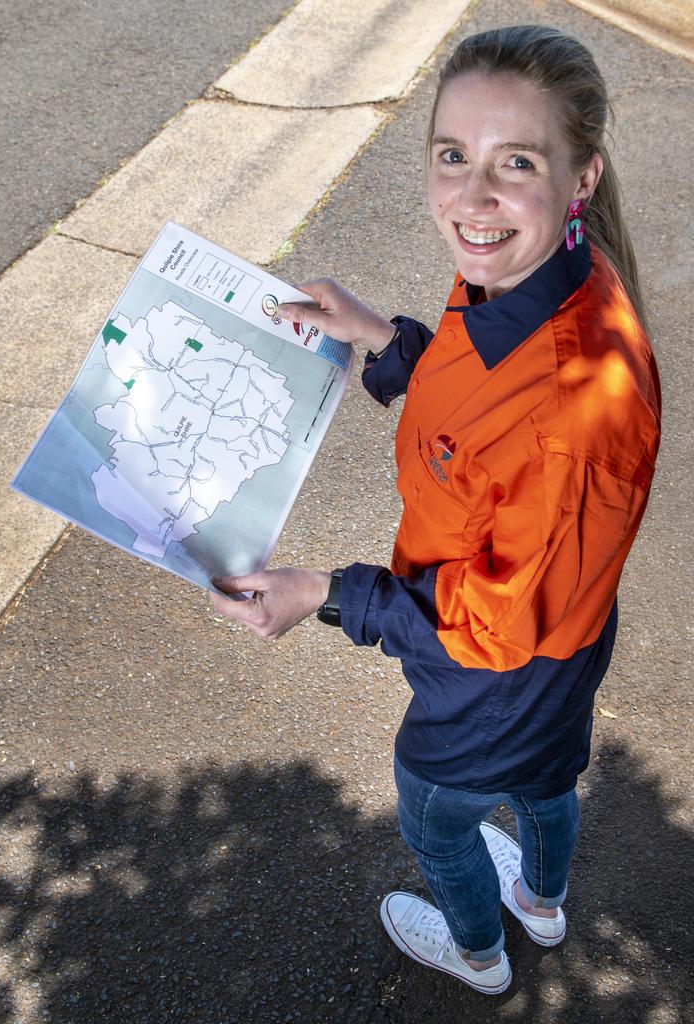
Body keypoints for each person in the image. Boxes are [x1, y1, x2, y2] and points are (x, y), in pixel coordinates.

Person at [210, 24, 661, 996]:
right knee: (545, 782)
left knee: (434, 816)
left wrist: (327, 593)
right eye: (453, 156)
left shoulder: (570, 409)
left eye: (516, 164)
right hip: (564, 647)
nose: (471, 199)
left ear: (579, 177)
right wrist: (380, 335)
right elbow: (475, 405)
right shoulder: (536, 269)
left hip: (499, 672)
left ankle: (481, 953)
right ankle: (541, 901)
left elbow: (487, 628)